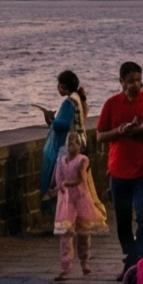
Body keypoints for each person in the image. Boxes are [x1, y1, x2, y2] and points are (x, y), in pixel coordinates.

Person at [95, 61, 143, 272]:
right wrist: (120, 131)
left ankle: (139, 259)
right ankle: (130, 257)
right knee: (123, 219)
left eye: (138, 80)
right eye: (130, 81)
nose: (135, 85)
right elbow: (100, 136)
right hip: (118, 170)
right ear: (121, 82)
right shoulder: (111, 104)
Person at [51, 130, 106, 280]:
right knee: (66, 233)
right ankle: (65, 267)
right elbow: (58, 178)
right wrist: (56, 189)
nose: (70, 146)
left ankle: (85, 262)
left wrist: (69, 183)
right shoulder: (61, 161)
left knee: (83, 232)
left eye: (73, 143)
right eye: (68, 143)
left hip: (81, 198)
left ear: (79, 145)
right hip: (67, 200)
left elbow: (81, 179)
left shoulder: (82, 160)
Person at [38, 71, 88, 205]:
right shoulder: (78, 98)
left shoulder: (68, 102)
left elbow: (63, 124)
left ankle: (59, 205)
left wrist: (52, 119)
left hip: (71, 143)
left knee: (62, 177)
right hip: (81, 140)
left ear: (63, 86)